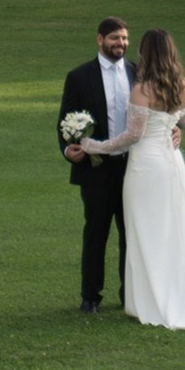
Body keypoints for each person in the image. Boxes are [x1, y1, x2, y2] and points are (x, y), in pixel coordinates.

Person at [66, 26, 185, 332]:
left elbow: (133, 135)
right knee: (171, 229)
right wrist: (173, 128)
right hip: (172, 164)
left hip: (145, 166)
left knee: (144, 231)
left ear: (146, 52)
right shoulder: (182, 85)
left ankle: (149, 299)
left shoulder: (142, 88)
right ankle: (157, 294)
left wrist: (95, 146)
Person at [56, 18, 140, 315]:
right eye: (115, 38)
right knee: (96, 233)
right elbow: (65, 120)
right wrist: (67, 149)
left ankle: (130, 294)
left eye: (125, 38)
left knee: (132, 234)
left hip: (133, 167)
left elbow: (158, 111)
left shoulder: (138, 73)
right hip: (96, 168)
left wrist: (177, 129)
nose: (121, 43)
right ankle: (90, 296)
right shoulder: (79, 76)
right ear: (100, 39)